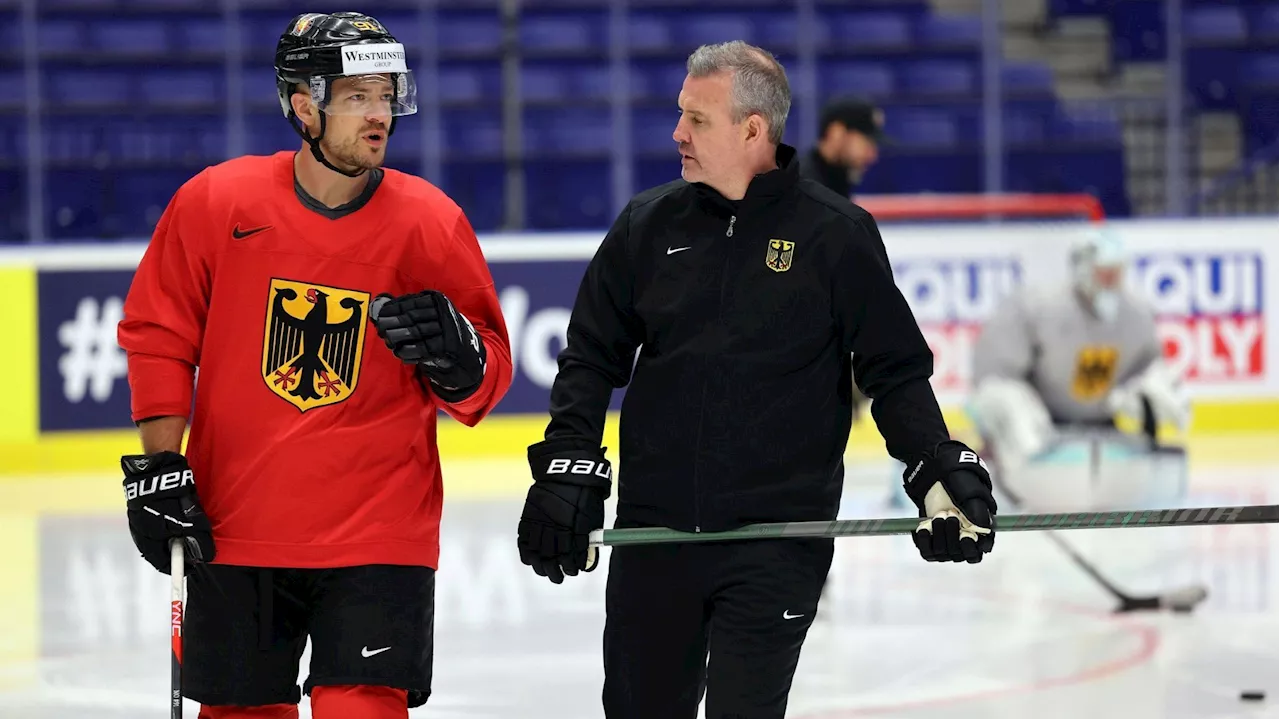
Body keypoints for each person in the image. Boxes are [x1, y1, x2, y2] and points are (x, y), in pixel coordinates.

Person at [515, 40, 997, 719]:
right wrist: (567, 461)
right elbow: (591, 354)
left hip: (779, 535)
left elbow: (894, 370)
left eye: (697, 119)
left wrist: (933, 463)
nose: (676, 133)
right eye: (680, 113)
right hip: (657, 534)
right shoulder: (648, 225)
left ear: (752, 129)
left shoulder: (836, 234)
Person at [116, 11, 513, 719]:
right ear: (306, 106)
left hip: (378, 533)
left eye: (386, 94)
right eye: (358, 95)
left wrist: (462, 359)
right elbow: (159, 333)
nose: (379, 114)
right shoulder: (217, 201)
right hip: (237, 527)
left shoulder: (430, 223)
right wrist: (156, 467)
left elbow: (487, 382)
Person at [968, 229, 1191, 481]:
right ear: (1083, 269)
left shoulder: (1137, 314)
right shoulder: (1038, 306)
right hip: (1041, 427)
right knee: (1004, 399)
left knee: (1159, 389)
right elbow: (996, 374)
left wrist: (1150, 399)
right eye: (1103, 272)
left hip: (1104, 421)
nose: (1110, 281)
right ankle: (1024, 469)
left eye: (1116, 272)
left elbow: (1150, 366)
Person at [797, 97, 886, 200]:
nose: (872, 156)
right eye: (867, 143)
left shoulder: (835, 182)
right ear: (837, 133)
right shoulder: (799, 188)